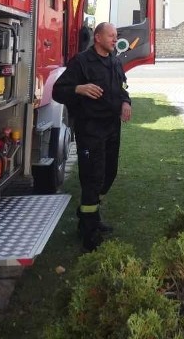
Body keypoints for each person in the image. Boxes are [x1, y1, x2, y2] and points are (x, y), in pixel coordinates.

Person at [52, 22, 131, 251]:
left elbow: (122, 87)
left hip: (112, 128)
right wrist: (79, 89)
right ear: (97, 37)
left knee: (109, 174)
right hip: (90, 130)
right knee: (92, 179)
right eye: (111, 36)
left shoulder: (115, 61)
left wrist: (126, 102)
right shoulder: (81, 62)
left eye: (116, 36)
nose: (115, 40)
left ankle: (90, 215)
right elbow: (58, 91)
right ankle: (89, 233)